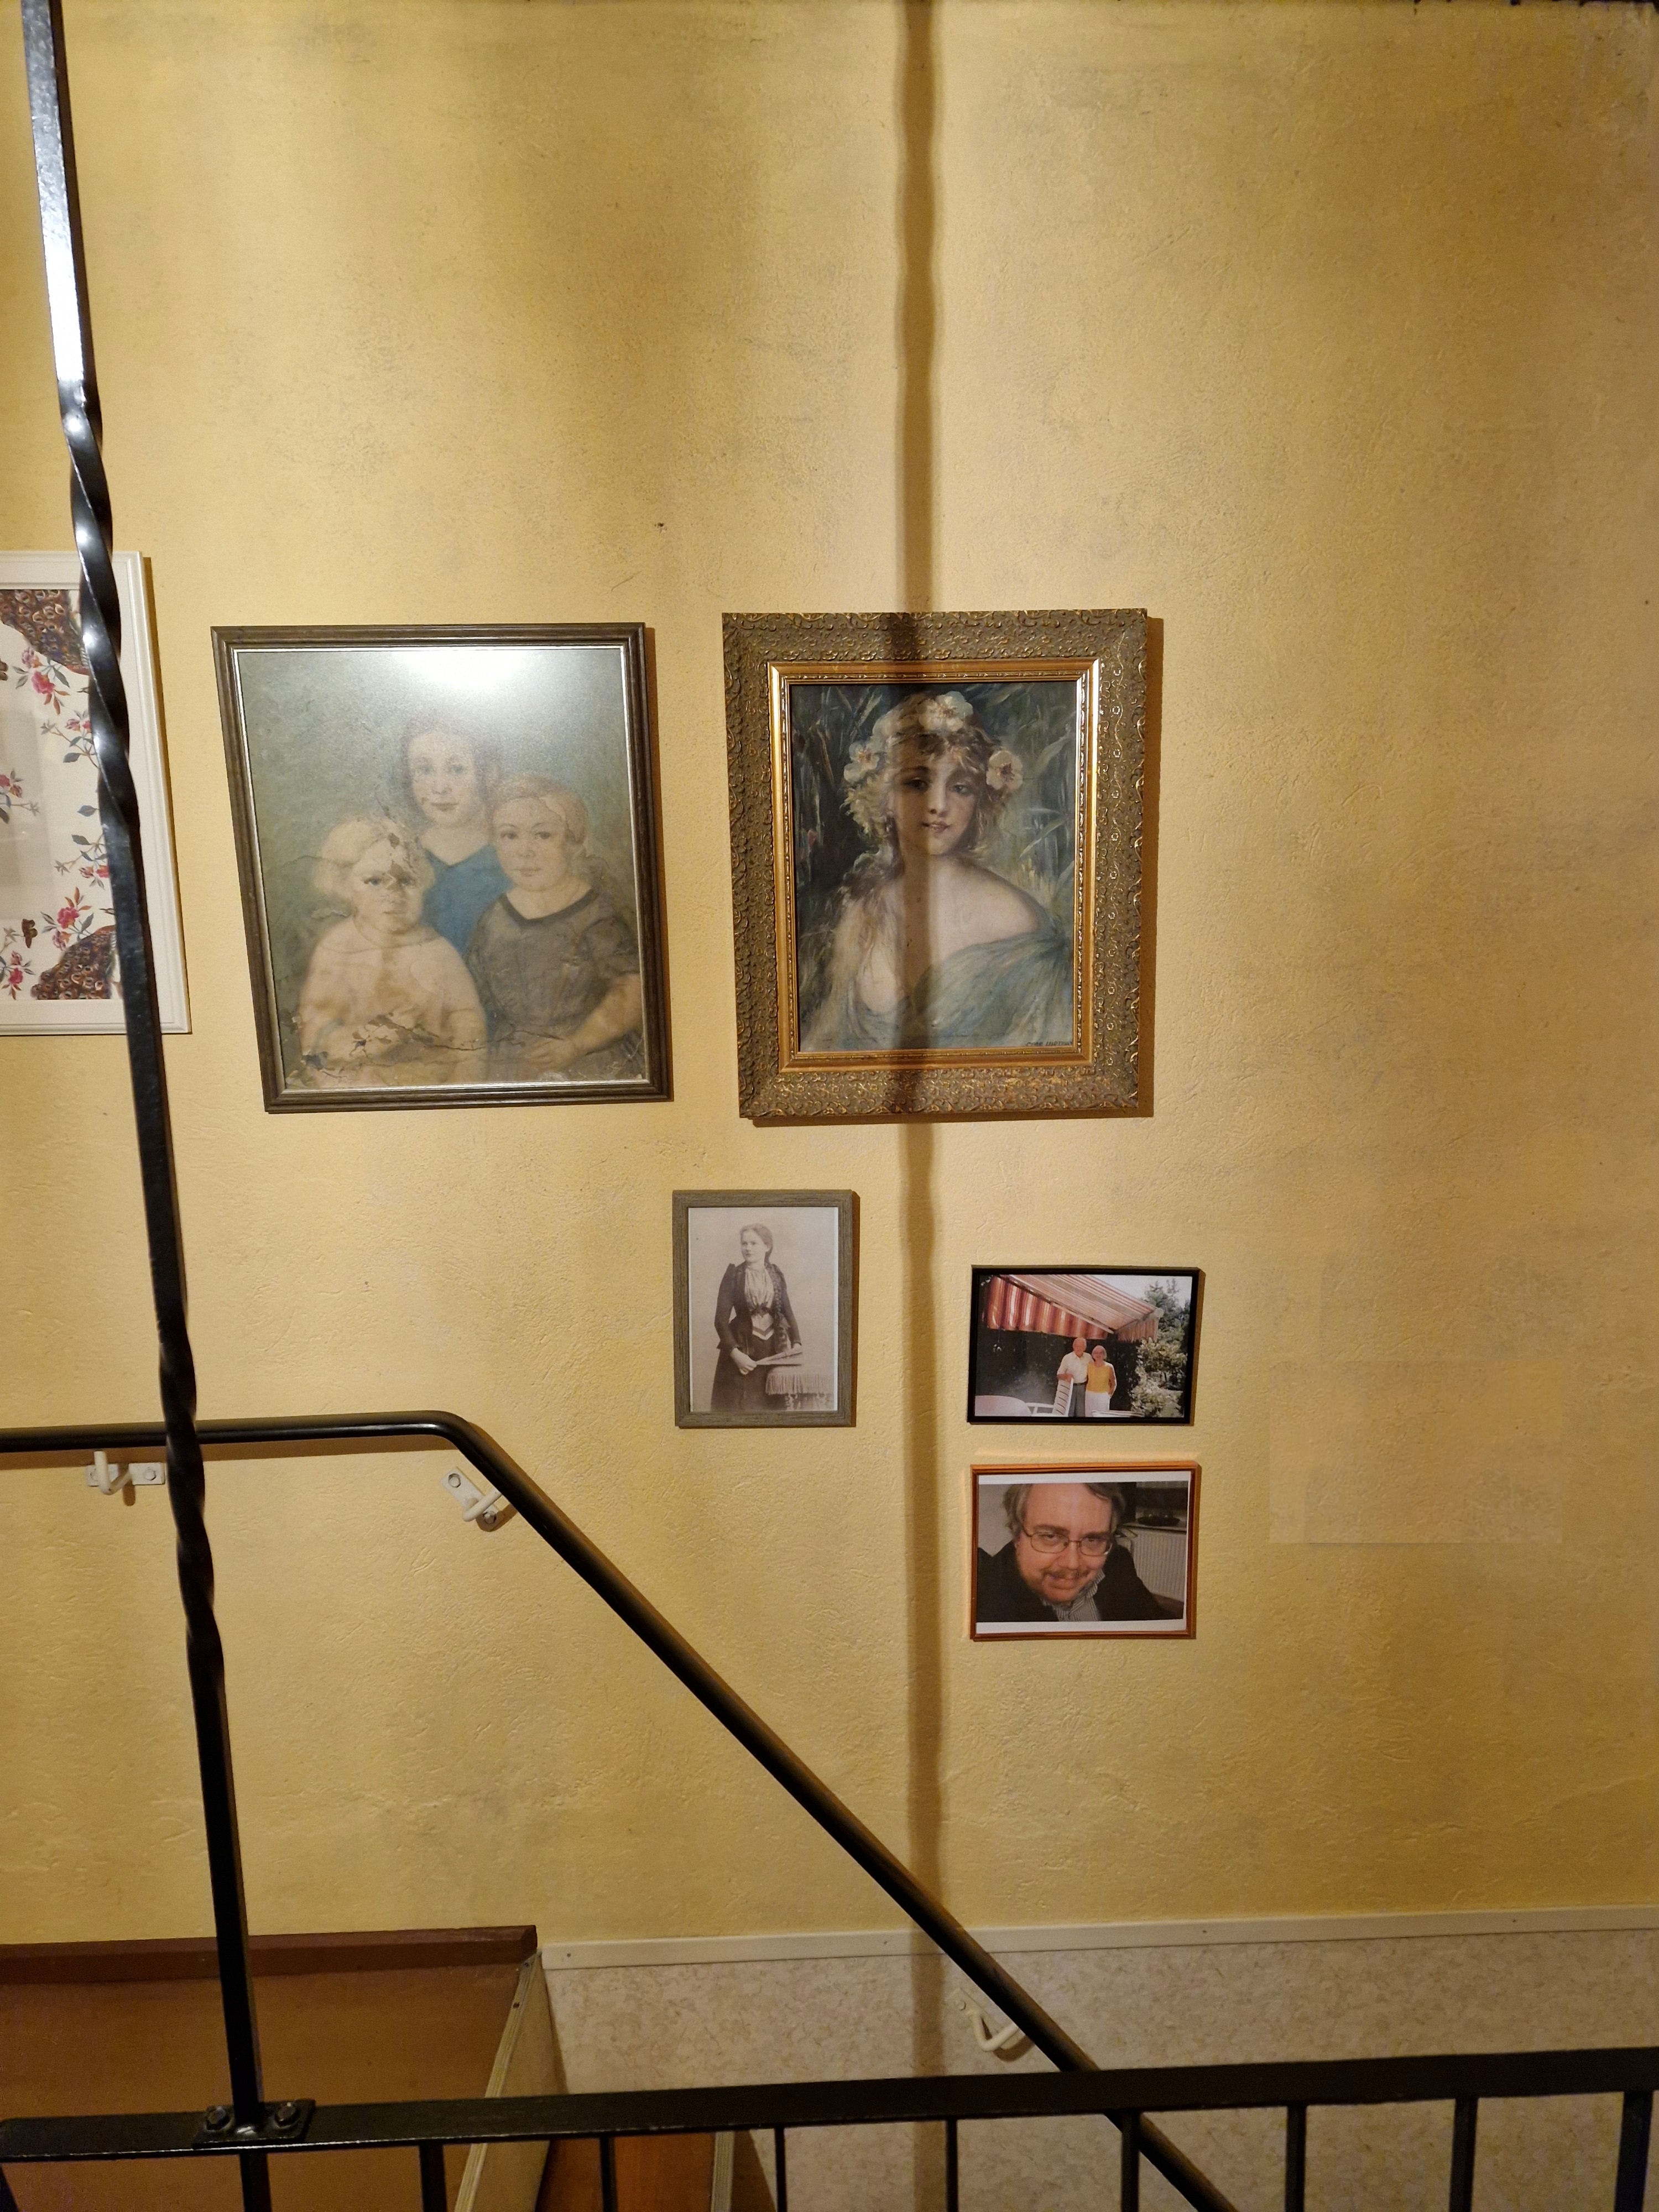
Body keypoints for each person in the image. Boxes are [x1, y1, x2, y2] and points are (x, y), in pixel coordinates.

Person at [799, 691, 1073, 1051]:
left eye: (960, 788)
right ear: (886, 795)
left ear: (980, 801)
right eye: (918, 784)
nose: (939, 805)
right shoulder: (861, 915)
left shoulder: (1015, 918)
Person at [465, 775, 645, 1081]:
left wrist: (575, 1045)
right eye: (510, 836)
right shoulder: (494, 918)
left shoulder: (596, 915)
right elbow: (473, 1000)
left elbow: (631, 993)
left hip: (588, 1060)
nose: (525, 851)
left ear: (573, 843)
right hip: (511, 1064)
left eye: (543, 835)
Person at [295, 818, 487, 1086]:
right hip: (358, 1084)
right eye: (375, 881)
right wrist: (372, 1037)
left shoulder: (437, 951)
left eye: (406, 880)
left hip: (430, 1081)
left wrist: (463, 1080)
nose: (394, 894)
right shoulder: (336, 949)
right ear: (345, 885)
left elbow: (468, 1022)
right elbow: (315, 1036)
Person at [975, 1481, 1165, 1626]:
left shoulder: (1118, 1563)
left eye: (1092, 1540)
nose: (1072, 1564)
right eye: (1051, 1537)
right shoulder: (983, 1607)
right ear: (1017, 1535)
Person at [401, 721, 511, 956]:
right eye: (424, 770)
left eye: (456, 769)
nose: (440, 788)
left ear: (489, 774)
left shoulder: (516, 856)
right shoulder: (401, 857)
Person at [710, 1223, 801, 1414]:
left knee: (772, 1408)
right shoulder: (734, 1275)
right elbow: (720, 1321)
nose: (748, 1248)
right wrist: (736, 1355)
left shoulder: (776, 1274)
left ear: (767, 1246)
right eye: (744, 1244)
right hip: (742, 1351)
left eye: (754, 1243)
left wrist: (796, 1342)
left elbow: (788, 1312)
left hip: (772, 1349)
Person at [1056, 1334, 1091, 1418]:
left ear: (1085, 1348)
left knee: (1082, 1413)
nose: (1078, 1348)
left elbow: (1094, 1371)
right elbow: (1059, 1375)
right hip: (1069, 1388)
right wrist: (1066, 1376)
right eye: (1076, 1346)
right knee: (1069, 1412)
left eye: (1081, 1346)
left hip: (1083, 1388)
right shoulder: (1067, 1358)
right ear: (1073, 1347)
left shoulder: (1088, 1357)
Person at [1083, 1343, 1118, 1418]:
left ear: (1104, 1355)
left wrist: (1109, 1395)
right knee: (1089, 1416)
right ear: (1093, 1355)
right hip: (1089, 1394)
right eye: (1096, 1353)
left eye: (1101, 1353)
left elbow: (1114, 1383)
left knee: (1102, 1417)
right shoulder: (1089, 1365)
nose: (1098, 1355)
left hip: (1102, 1396)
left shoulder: (1109, 1367)